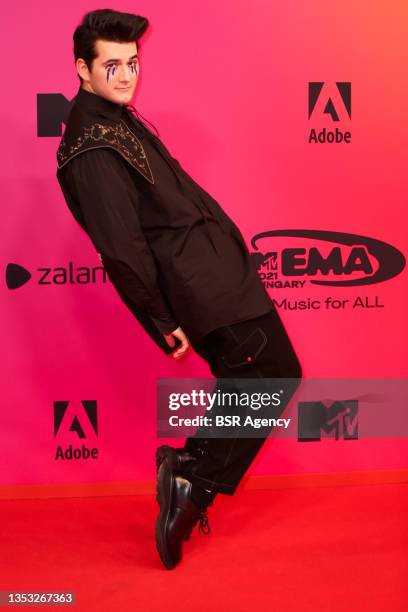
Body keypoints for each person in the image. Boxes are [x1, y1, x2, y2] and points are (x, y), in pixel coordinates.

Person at [56, 9, 302, 570]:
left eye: (133, 64)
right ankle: (193, 477)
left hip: (215, 274)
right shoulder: (91, 144)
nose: (126, 76)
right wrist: (160, 319)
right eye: (112, 65)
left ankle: (190, 469)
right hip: (200, 286)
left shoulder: (113, 119)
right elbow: (121, 248)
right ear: (82, 69)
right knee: (272, 375)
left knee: (256, 377)